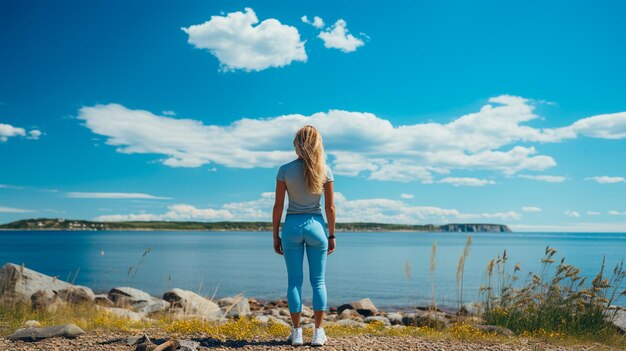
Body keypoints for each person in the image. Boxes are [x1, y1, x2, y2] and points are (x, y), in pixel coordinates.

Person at [272, 125, 336, 347]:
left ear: (297, 144)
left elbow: (278, 206)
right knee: (318, 281)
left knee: (294, 282)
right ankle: (318, 333)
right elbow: (330, 209)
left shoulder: (285, 170)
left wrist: (275, 236)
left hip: (291, 227)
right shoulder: (325, 170)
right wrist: (332, 235)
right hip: (317, 227)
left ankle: (297, 333)